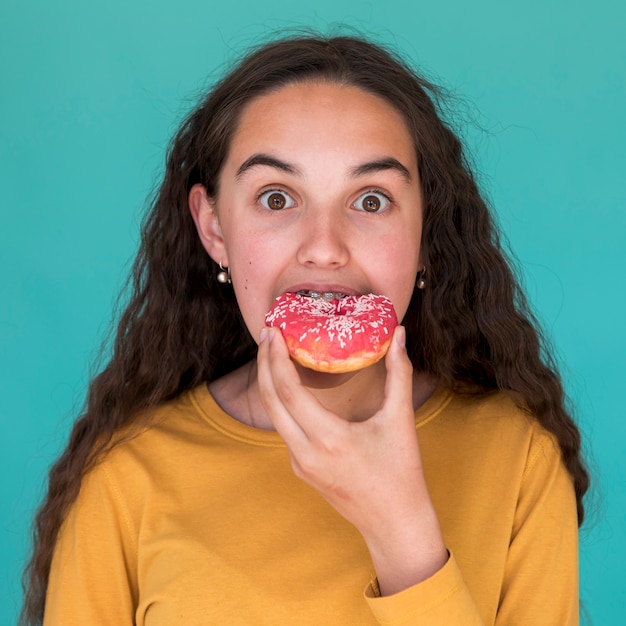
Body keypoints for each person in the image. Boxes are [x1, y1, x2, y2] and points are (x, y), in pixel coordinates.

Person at [21, 34, 589, 625]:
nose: (324, 247)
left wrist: (402, 530)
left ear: (427, 236)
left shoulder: (518, 459)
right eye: (275, 197)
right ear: (214, 229)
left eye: (370, 200)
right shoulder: (125, 478)